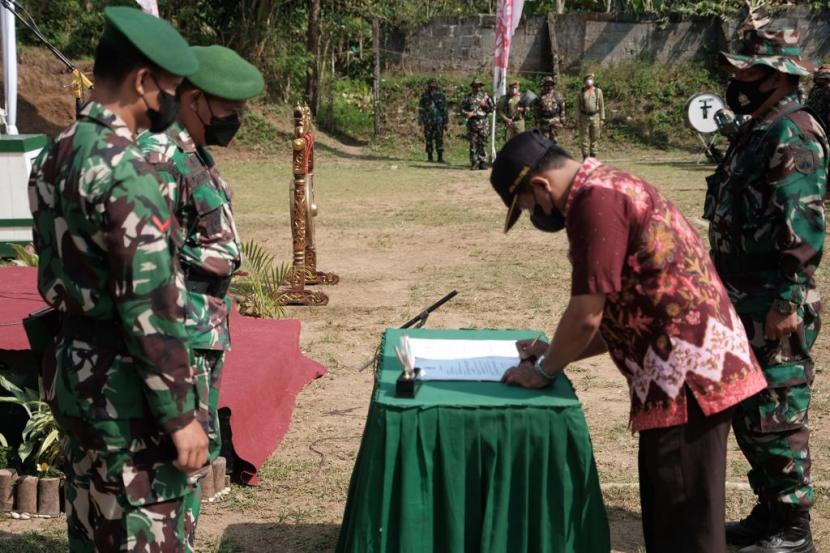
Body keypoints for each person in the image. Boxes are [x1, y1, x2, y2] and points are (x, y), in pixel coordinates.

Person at [491, 131, 767, 553]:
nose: (538, 214)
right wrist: (555, 353)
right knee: (672, 514)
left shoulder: (592, 202)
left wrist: (544, 372)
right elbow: (627, 312)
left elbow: (587, 314)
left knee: (685, 527)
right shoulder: (606, 184)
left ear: (541, 186)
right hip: (688, 370)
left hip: (686, 379)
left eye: (529, 205)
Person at [27, 7, 208, 552]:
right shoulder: (128, 171)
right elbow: (147, 306)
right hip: (128, 396)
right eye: (169, 91)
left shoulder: (52, 155)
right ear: (143, 81)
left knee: (92, 525)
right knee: (142, 533)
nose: (171, 106)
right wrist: (180, 417)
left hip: (74, 374)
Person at [706, 25, 827, 553]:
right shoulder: (758, 127)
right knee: (752, 417)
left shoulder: (792, 132)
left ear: (777, 75)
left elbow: (801, 227)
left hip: (773, 301)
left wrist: (787, 302)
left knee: (777, 414)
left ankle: (794, 528)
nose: (736, 78)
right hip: (740, 297)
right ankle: (768, 512)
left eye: (746, 69)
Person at [138, 45, 263, 510]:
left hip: (202, 326)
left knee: (189, 466)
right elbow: (146, 274)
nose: (237, 119)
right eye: (230, 110)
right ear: (193, 100)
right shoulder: (160, 159)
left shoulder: (193, 152)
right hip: (177, 332)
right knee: (171, 464)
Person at [461, 77, 494, 170]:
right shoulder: (468, 97)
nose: (477, 88)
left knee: (483, 143)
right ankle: (474, 162)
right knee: (473, 143)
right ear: (472, 87)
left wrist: (485, 105)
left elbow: (492, 108)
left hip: (483, 122)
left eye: (479, 86)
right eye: (475, 86)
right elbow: (461, 109)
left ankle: (483, 162)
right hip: (472, 123)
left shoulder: (486, 96)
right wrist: (466, 113)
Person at [418, 79, 448, 162]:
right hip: (428, 121)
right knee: (428, 138)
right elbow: (421, 109)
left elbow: (445, 109)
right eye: (431, 86)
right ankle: (430, 157)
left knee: (439, 138)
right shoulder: (424, 96)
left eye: (434, 86)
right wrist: (421, 122)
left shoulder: (441, 95)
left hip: (439, 121)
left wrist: (445, 122)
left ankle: (440, 157)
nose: (432, 88)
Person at [577, 73, 606, 159]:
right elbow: (577, 107)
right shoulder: (581, 92)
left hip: (595, 117)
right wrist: (577, 119)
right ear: (584, 81)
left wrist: (602, 118)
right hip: (584, 117)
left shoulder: (598, 91)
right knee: (584, 139)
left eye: (591, 79)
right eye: (588, 79)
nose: (589, 80)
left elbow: (602, 105)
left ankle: (593, 158)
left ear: (593, 80)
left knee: (595, 138)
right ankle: (585, 158)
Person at [534, 75, 565, 142]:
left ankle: (554, 152)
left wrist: (562, 120)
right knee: (544, 140)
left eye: (550, 84)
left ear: (552, 85)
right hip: (544, 121)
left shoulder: (557, 95)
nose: (548, 86)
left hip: (555, 120)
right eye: (546, 84)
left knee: (554, 140)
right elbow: (537, 109)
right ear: (544, 85)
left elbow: (562, 107)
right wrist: (537, 121)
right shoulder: (540, 96)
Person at [806, 63, 830, 130]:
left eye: (825, 78)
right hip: (811, 124)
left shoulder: (828, 90)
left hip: (823, 129)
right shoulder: (815, 89)